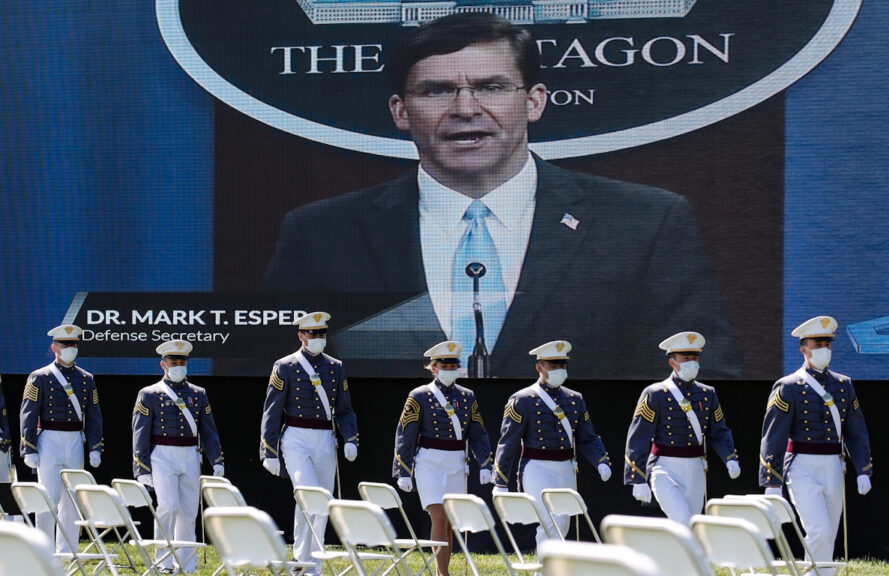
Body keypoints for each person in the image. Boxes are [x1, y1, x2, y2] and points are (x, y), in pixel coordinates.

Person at [262, 12, 739, 381]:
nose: (466, 109)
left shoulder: (644, 223)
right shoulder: (321, 234)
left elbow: (700, 379)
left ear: (534, 101)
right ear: (401, 112)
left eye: (490, 87)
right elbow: (272, 385)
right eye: (436, 91)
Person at [758, 316, 872, 576]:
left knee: (828, 533)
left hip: (834, 464)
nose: (823, 349)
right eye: (817, 344)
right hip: (801, 465)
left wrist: (863, 468)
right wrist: (772, 482)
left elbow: (856, 430)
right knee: (818, 530)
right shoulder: (787, 387)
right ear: (803, 349)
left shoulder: (843, 385)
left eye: (827, 344)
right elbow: (773, 436)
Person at [260, 311, 358, 576]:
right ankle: (300, 559)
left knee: (323, 501)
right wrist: (268, 451)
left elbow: (345, 409)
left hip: (325, 437)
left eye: (322, 333)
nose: (318, 338)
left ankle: (313, 563)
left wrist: (350, 438)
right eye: (313, 334)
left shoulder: (335, 367)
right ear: (301, 335)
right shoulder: (285, 366)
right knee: (307, 495)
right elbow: (272, 411)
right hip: (296, 437)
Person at [492, 340, 612, 544]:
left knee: (562, 523)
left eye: (562, 365)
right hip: (536, 467)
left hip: (565, 468)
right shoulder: (522, 399)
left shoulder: (575, 399)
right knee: (550, 521)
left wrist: (601, 460)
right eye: (553, 365)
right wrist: (501, 481)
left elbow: (587, 436)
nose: (559, 370)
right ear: (540, 367)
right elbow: (508, 441)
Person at [393, 341, 493, 576]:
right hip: (429, 462)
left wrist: (485, 463)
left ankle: (442, 571)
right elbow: (405, 434)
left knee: (448, 520)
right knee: (438, 515)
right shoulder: (419, 395)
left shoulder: (467, 396)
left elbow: (477, 433)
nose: (450, 369)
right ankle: (443, 573)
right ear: (434, 368)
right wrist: (403, 469)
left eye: (454, 365)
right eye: (444, 365)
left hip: (456, 462)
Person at [624, 331, 741, 523]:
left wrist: (729, 458)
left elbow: (718, 430)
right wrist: (637, 477)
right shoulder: (655, 393)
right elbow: (639, 436)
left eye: (695, 358)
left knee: (692, 526)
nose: (692, 362)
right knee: (683, 521)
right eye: (685, 358)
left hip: (695, 468)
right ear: (672, 362)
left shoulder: (707, 393)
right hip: (665, 467)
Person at [132, 340, 224, 574]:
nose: (178, 366)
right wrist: (141, 467)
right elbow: (140, 434)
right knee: (168, 506)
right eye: (174, 362)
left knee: (188, 510)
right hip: (162, 455)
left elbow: (209, 430)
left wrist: (217, 460)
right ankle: (162, 561)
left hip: (190, 454)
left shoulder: (198, 393)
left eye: (182, 362)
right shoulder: (149, 394)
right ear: (163, 364)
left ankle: (187, 562)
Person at [20, 324, 102, 554]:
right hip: (49, 440)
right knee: (48, 496)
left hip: (75, 439)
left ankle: (68, 549)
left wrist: (95, 447)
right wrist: (29, 448)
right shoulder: (40, 377)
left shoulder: (86, 379)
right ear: (54, 347)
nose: (69, 348)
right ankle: (44, 549)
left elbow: (94, 416)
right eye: (65, 345)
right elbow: (28, 414)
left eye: (73, 344)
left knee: (72, 498)